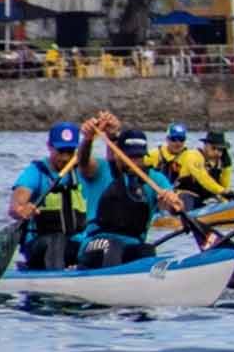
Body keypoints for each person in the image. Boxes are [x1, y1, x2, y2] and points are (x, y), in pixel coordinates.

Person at [74, 115, 185, 268]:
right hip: (96, 242)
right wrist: (87, 140)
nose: (134, 162)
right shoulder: (101, 170)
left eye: (138, 157)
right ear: (117, 153)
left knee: (146, 250)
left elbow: (176, 206)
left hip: (133, 243)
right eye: (130, 156)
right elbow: (83, 162)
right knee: (112, 246)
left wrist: (173, 202)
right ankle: (110, 286)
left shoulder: (154, 179)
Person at [7, 121, 87, 271]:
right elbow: (15, 206)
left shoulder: (81, 172)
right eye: (60, 151)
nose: (64, 158)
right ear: (49, 146)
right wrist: (21, 209)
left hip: (74, 245)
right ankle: (56, 278)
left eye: (69, 152)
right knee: (57, 239)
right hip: (39, 246)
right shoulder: (36, 172)